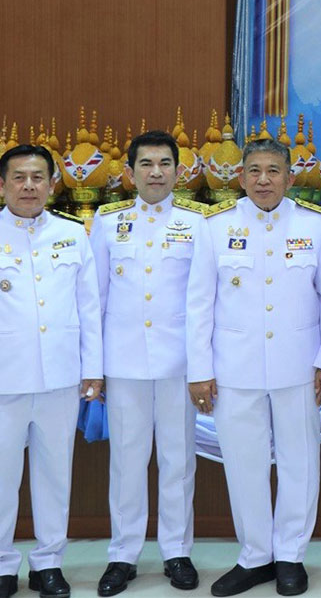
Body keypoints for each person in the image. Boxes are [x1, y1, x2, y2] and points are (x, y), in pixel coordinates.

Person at [186, 138, 321, 598]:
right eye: (254, 171)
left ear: (290, 177)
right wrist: (199, 369)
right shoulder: (214, 227)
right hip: (234, 367)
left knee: (299, 462)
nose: (263, 180)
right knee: (243, 464)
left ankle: (290, 555)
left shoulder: (318, 225)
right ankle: (255, 556)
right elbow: (199, 304)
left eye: (273, 171)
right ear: (241, 176)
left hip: (299, 365)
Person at [89, 131, 204, 596]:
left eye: (164, 164)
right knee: (127, 462)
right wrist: (94, 366)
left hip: (180, 363)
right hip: (124, 363)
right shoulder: (107, 221)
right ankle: (123, 554)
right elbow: (95, 299)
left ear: (179, 171)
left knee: (178, 461)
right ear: (129, 172)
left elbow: (203, 301)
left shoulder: (199, 223)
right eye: (146, 164)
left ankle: (177, 551)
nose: (156, 172)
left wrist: (203, 367)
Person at [0, 144, 103, 598]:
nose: (29, 186)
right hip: (4, 380)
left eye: (38, 177)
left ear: (52, 184)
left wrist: (93, 369)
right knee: (1, 478)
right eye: (19, 177)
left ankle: (48, 564)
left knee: (55, 475)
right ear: (3, 184)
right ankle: (2, 566)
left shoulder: (72, 234)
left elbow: (89, 308)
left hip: (61, 378)